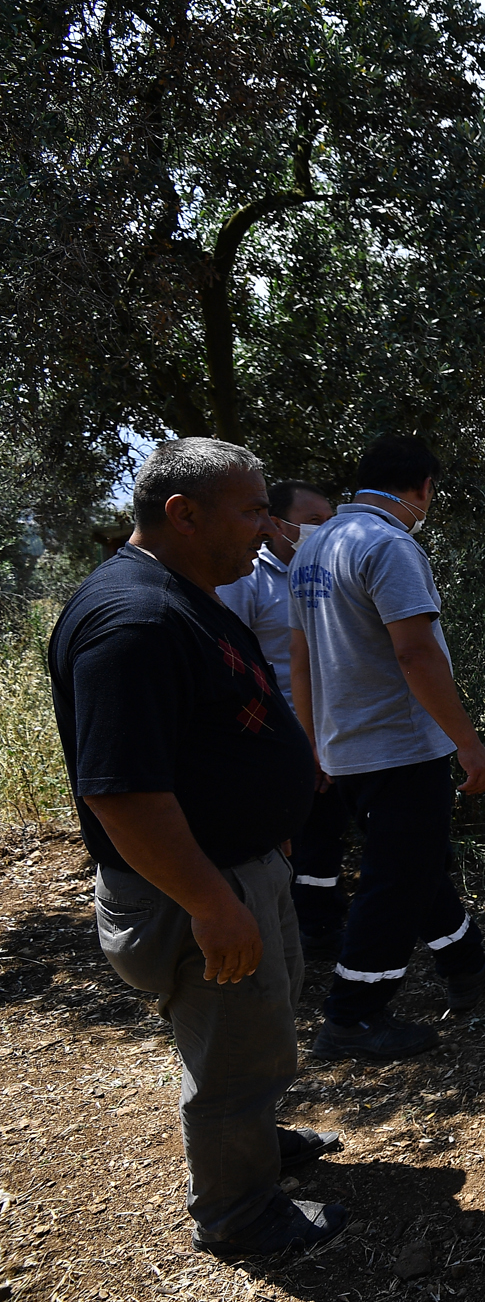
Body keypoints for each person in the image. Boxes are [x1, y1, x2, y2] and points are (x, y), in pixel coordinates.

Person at [48, 438, 347, 1257]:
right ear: (183, 514)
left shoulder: (186, 594)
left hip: (242, 869)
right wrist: (213, 902)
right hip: (200, 888)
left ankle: (253, 1142)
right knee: (231, 1061)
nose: (267, 524)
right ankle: (239, 1213)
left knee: (257, 1032)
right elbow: (120, 793)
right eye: (252, 509)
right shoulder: (134, 621)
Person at [289, 435, 485, 1061]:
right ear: (420, 488)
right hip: (400, 746)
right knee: (394, 877)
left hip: (348, 744)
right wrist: (468, 744)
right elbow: (415, 652)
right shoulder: (389, 544)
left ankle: (466, 966)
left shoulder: (315, 547)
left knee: (413, 858)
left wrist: (313, 741)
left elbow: (300, 655)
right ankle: (352, 1015)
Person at [217, 480, 349, 957]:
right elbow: (234, 658)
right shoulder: (246, 580)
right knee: (305, 834)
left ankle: (322, 917)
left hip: (336, 728)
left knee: (327, 833)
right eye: (314, 521)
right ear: (277, 523)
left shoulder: (327, 573)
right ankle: (311, 927)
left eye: (330, 519)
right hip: (283, 734)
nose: (324, 530)